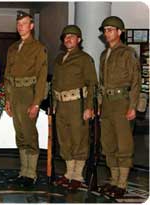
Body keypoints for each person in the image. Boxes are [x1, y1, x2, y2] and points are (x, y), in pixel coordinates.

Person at [97, 16, 140, 198]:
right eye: (105, 30)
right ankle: (113, 181)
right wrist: (99, 103)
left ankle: (122, 183)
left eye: (111, 30)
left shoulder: (127, 53)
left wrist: (133, 106)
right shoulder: (104, 54)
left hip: (122, 102)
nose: (107, 33)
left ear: (119, 32)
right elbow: (101, 83)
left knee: (123, 144)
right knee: (108, 144)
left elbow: (135, 82)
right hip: (107, 104)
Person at [4, 11, 48, 187]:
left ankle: (31, 173)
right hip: (14, 93)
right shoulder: (13, 48)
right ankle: (23, 171)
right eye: (18, 24)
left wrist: (36, 103)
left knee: (30, 134)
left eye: (24, 23)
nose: (20, 26)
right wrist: (7, 99)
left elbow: (42, 76)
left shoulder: (38, 47)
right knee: (20, 134)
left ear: (31, 26)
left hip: (29, 94)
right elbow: (7, 74)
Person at [52, 25, 98, 190]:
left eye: (72, 36)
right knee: (64, 140)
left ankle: (77, 175)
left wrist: (89, 107)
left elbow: (92, 84)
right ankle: (68, 174)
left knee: (79, 139)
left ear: (79, 40)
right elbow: (55, 83)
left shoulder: (84, 59)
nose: (68, 39)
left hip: (78, 105)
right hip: (62, 105)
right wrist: (55, 104)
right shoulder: (59, 59)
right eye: (65, 37)